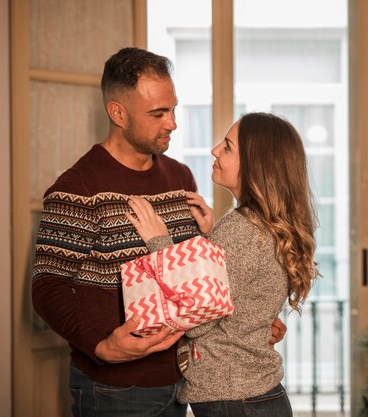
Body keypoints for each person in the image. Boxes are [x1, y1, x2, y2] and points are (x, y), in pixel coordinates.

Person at [32, 47, 285, 417]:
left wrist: (251, 317)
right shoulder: (78, 188)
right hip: (113, 389)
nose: (173, 123)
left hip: (185, 380)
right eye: (158, 114)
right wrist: (101, 347)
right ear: (118, 113)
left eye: (173, 109)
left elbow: (199, 277)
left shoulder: (180, 177)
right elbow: (48, 287)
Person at [126, 111, 320, 417]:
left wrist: (158, 242)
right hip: (251, 396)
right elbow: (240, 287)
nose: (215, 150)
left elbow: (198, 321)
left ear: (256, 164)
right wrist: (211, 235)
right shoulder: (261, 224)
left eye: (227, 147)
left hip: (235, 401)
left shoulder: (242, 229)